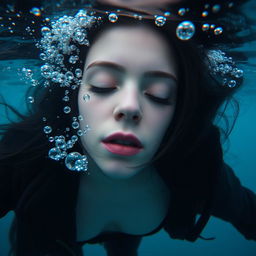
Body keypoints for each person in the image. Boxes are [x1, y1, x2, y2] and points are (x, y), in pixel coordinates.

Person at [0, 0, 255, 255]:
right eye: (103, 85)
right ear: (74, 93)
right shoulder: (24, 158)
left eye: (159, 94)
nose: (130, 107)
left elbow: (248, 213)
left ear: (178, 111)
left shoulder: (196, 166)